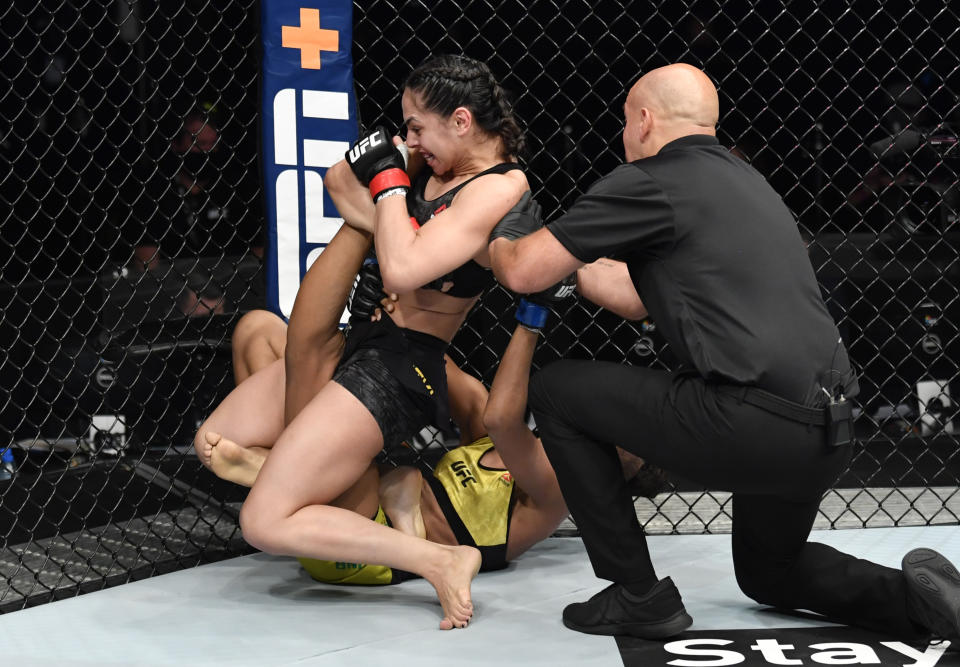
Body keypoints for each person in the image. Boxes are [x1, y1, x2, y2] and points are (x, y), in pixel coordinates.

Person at [487, 63, 960, 643]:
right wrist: (576, 269)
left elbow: (519, 269)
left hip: (752, 422)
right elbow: (638, 299)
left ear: (643, 119)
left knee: (558, 390)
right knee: (770, 572)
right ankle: (919, 603)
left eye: (624, 123)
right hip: (829, 428)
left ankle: (637, 594)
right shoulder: (745, 180)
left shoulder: (650, 180)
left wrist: (501, 223)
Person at [228, 54, 535, 630]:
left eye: (418, 125)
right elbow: (337, 180)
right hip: (362, 341)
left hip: (399, 370)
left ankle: (438, 558)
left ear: (462, 121)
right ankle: (313, 472)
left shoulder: (501, 187)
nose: (409, 137)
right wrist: (391, 202)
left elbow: (402, 271)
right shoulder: (434, 161)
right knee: (218, 438)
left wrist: (391, 185)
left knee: (264, 521)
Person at [197, 226, 666, 585]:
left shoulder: (555, 490)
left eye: (620, 441)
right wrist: (386, 321)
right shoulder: (499, 431)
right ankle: (279, 469)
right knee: (257, 332)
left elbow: (504, 417)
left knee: (345, 422)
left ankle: (271, 472)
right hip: (370, 494)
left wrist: (531, 319)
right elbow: (439, 365)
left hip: (363, 549)